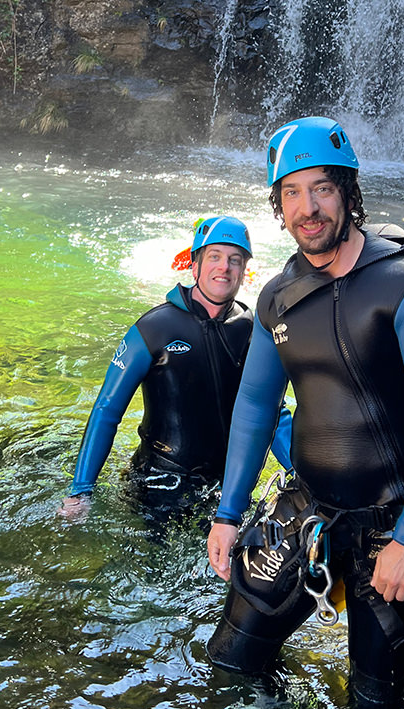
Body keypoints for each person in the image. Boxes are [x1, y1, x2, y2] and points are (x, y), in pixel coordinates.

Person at [206, 117, 404, 709]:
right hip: (306, 510)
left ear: (349, 192)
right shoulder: (277, 298)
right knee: (231, 661)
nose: (308, 208)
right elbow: (253, 405)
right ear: (277, 206)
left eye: (322, 188)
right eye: (291, 193)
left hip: (392, 523)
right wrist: (227, 514)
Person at [59, 215, 291, 520]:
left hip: (224, 490)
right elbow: (106, 410)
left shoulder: (251, 330)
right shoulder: (154, 329)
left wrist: (302, 472)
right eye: (215, 257)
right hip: (156, 484)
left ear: (244, 271)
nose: (224, 267)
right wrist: (81, 490)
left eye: (235, 260)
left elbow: (273, 412)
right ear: (194, 266)